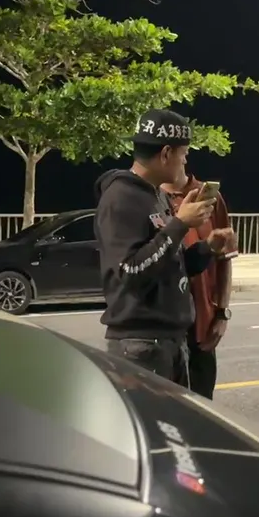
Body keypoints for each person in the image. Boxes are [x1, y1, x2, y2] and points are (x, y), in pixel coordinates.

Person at [93, 109, 237, 384]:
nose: (185, 160)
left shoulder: (155, 195)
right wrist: (180, 224)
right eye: (184, 153)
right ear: (166, 153)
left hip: (169, 342)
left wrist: (207, 248)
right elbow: (130, 273)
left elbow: (169, 263)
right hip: (141, 347)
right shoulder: (121, 198)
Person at [162, 166, 233, 399]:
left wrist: (222, 313)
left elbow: (225, 258)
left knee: (200, 405)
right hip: (163, 331)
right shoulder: (150, 197)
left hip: (201, 326)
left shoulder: (210, 198)